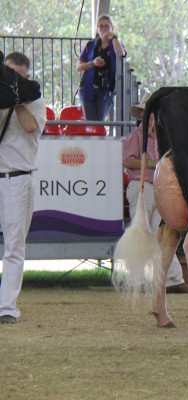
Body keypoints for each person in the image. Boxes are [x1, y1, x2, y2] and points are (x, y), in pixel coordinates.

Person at [123, 94, 188, 293]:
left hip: (157, 189)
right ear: (142, 115)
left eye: (153, 113)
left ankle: (170, 278)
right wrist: (154, 164)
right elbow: (127, 161)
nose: (151, 117)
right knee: (143, 233)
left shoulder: (161, 138)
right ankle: (140, 280)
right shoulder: (136, 136)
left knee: (158, 233)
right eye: (148, 113)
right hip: (141, 186)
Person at [0, 52, 46, 324]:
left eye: (12, 76)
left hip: (18, 179)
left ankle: (7, 306)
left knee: (14, 245)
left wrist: (15, 98)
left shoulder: (36, 102)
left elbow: (30, 127)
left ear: (25, 77)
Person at [76, 15, 126, 121]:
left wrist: (114, 37)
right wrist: (92, 63)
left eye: (107, 26)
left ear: (112, 28)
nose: (104, 29)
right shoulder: (90, 45)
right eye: (101, 26)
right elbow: (79, 67)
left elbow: (121, 54)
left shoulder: (117, 44)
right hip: (87, 88)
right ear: (97, 29)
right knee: (91, 122)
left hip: (106, 90)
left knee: (99, 122)